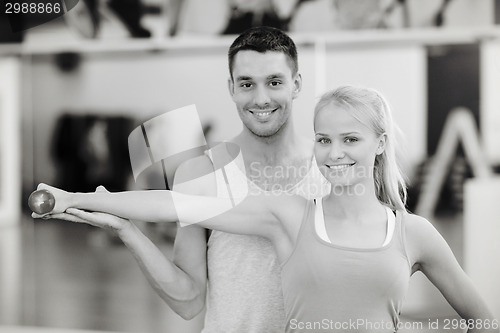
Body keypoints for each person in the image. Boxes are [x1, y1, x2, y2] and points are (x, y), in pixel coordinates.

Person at [34, 85, 498, 333]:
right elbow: (180, 203)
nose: (334, 153)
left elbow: (482, 319)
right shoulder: (290, 215)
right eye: (323, 139)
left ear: (379, 144)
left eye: (350, 139)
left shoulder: (413, 233)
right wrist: (84, 200)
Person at [44, 26, 329, 332]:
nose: (261, 98)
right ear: (231, 88)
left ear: (296, 84)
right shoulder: (201, 173)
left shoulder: (333, 168)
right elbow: (189, 300)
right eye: (247, 84)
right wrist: (127, 230)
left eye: (274, 82)